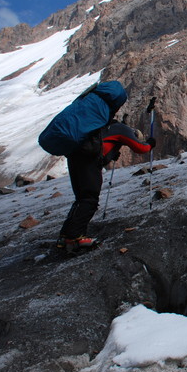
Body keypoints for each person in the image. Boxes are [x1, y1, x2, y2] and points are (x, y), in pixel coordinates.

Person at [58, 83, 156, 252]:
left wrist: (111, 154)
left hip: (75, 158)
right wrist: (150, 143)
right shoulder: (120, 129)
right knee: (89, 199)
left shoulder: (99, 127)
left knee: (81, 198)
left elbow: (104, 149)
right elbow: (142, 149)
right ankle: (75, 238)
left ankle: (66, 235)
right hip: (89, 164)